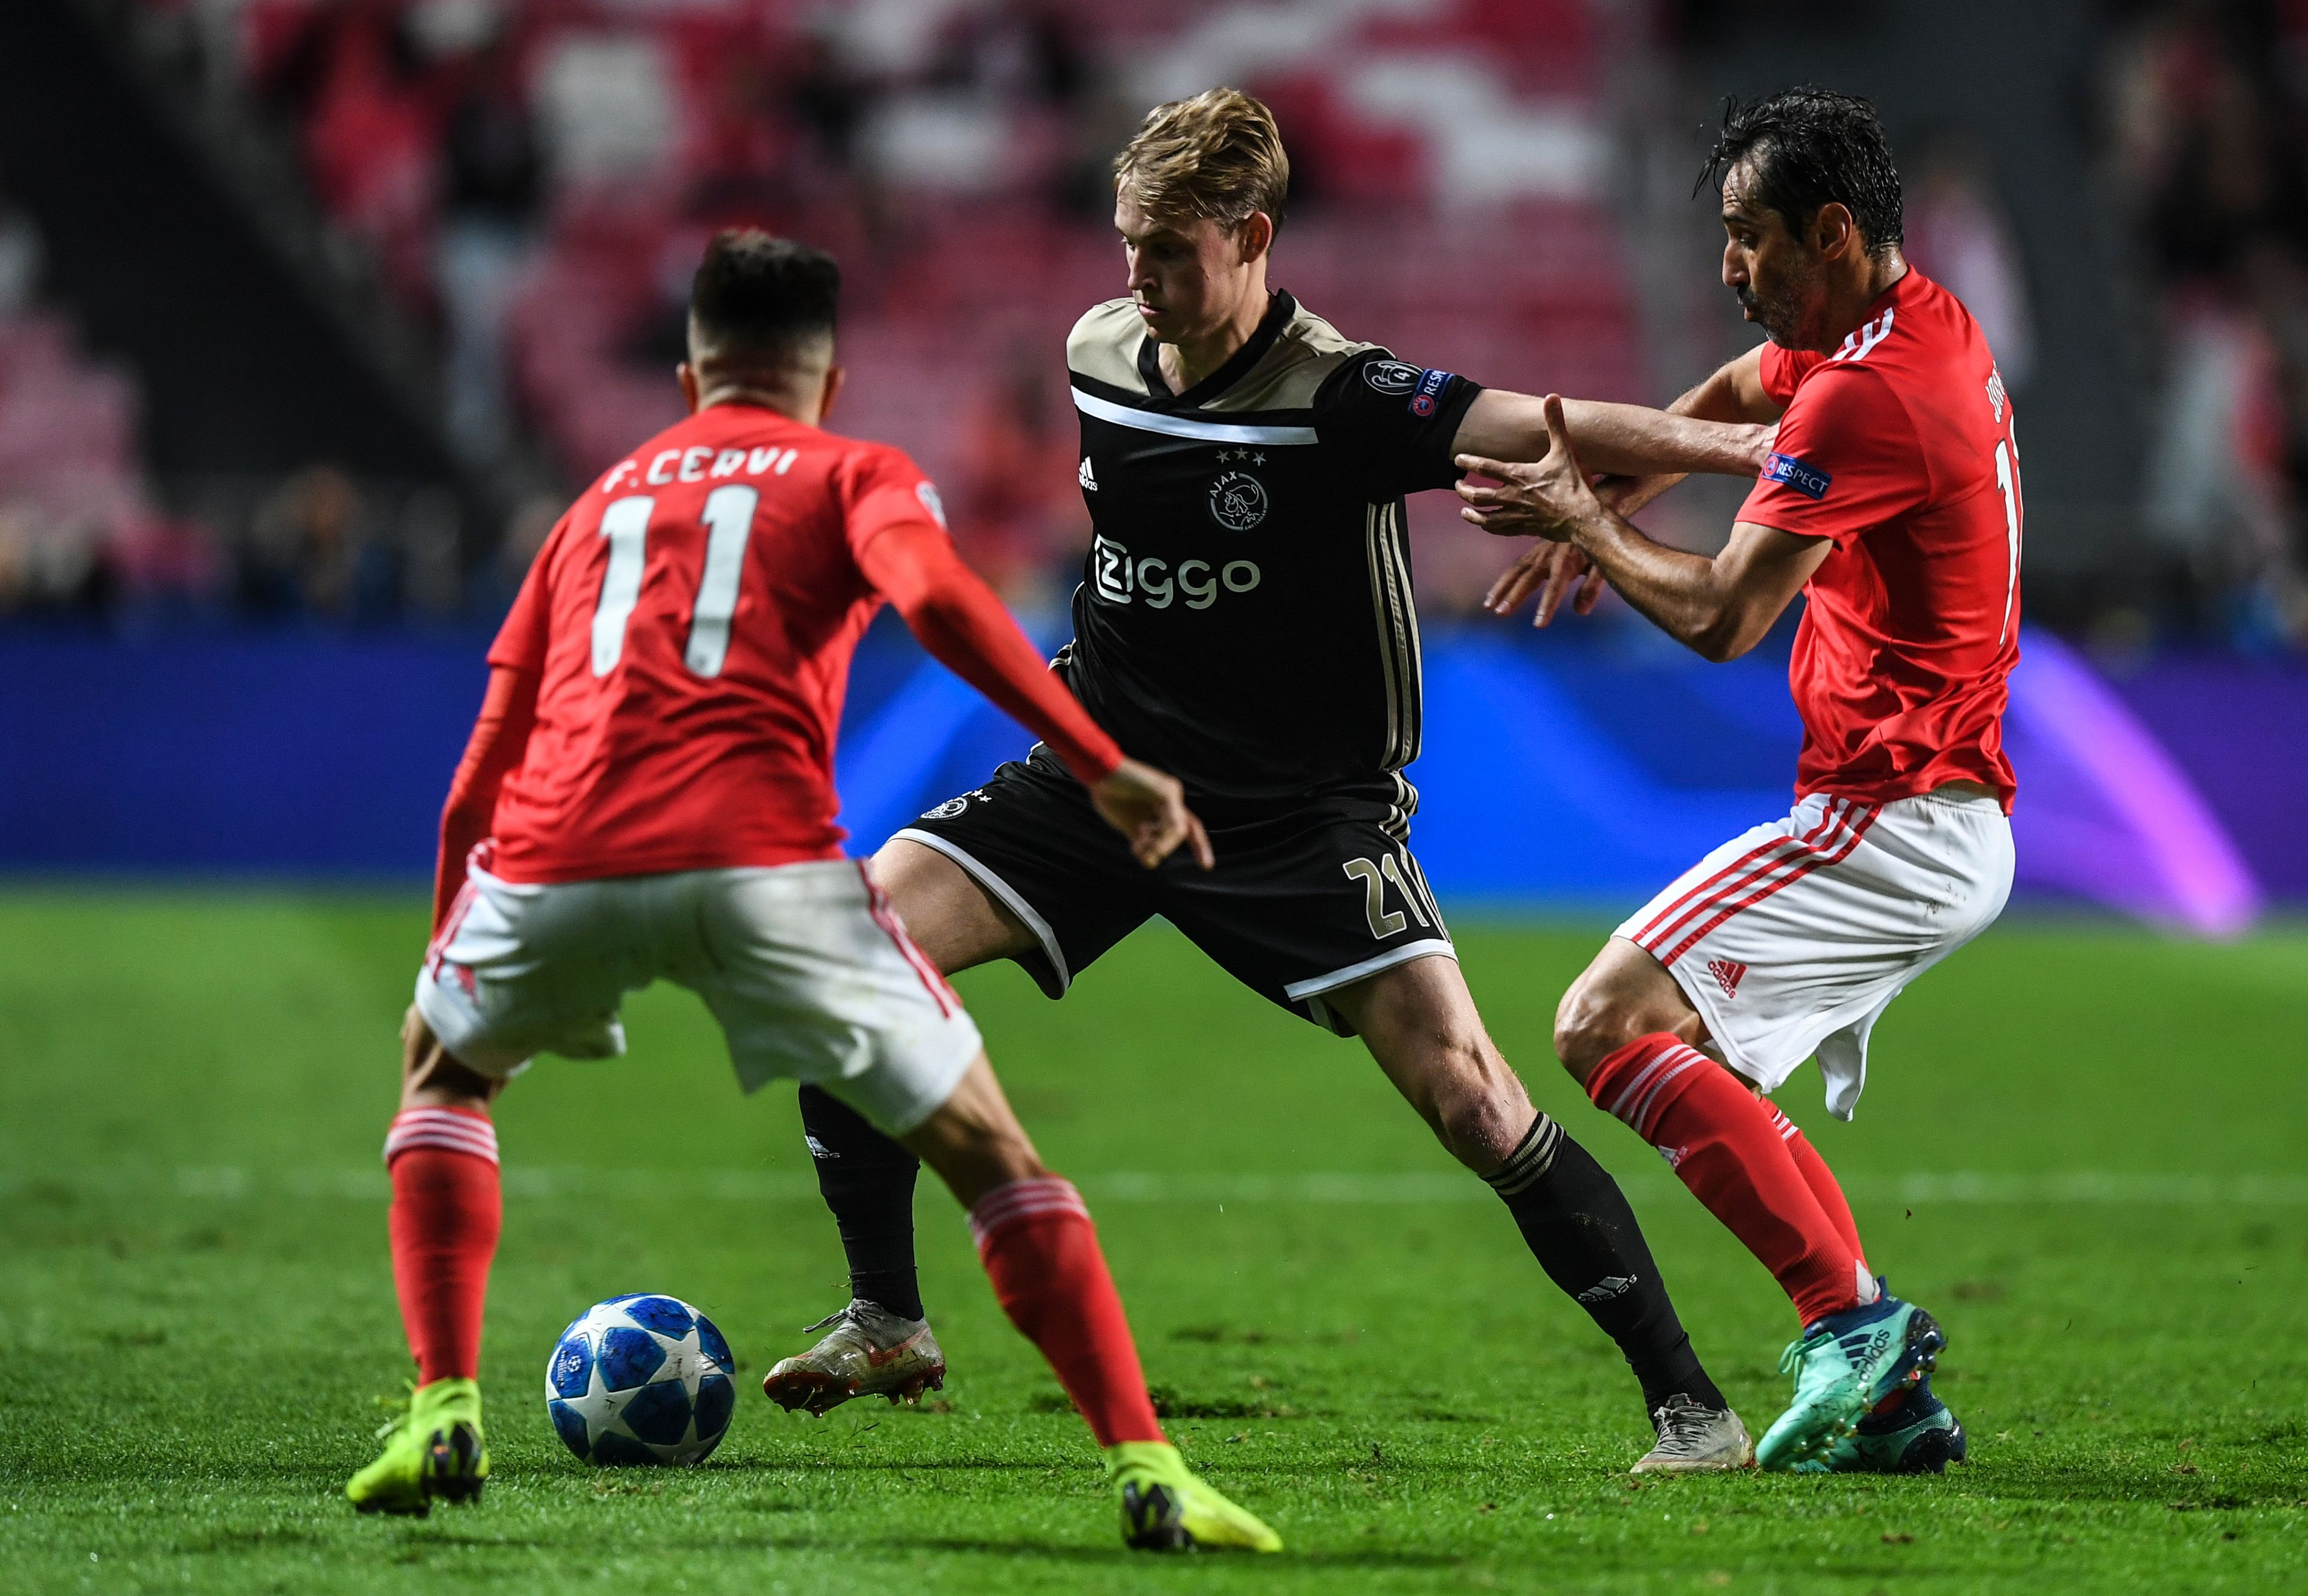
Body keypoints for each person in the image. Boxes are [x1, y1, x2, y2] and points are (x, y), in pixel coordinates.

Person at [769, 88, 1775, 1473]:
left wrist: (1743, 448)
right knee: (849, 944)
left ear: (1249, 238)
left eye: (1167, 252)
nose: (1135, 279)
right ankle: (887, 1312)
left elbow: (1539, 420)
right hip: (1105, 768)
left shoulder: (1340, 394)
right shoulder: (1100, 350)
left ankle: (1692, 1406)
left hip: (1299, 812)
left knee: (1475, 1099)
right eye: (1125, 245)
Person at [344, 229, 1281, 1552]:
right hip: (765, 865)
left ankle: (440, 1403)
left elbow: (480, 766)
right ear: (828, 383)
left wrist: (455, 945)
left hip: (559, 856)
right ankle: (1146, 1466)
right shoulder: (853, 471)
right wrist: (1100, 759)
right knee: (990, 1157)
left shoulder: (593, 505)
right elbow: (940, 602)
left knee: (442, 1074)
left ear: (687, 376)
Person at [1465, 89, 2020, 1473]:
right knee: (1667, 1041)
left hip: (1888, 814)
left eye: (1746, 237)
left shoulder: (1870, 390)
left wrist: (1583, 514)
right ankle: (1880, 1387)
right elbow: (1725, 397)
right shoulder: (1909, 329)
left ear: (1830, 233)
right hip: (1931, 810)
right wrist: (1624, 497)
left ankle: (1853, 1327)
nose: (1727, 268)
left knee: (1603, 1020)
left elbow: (1721, 619)